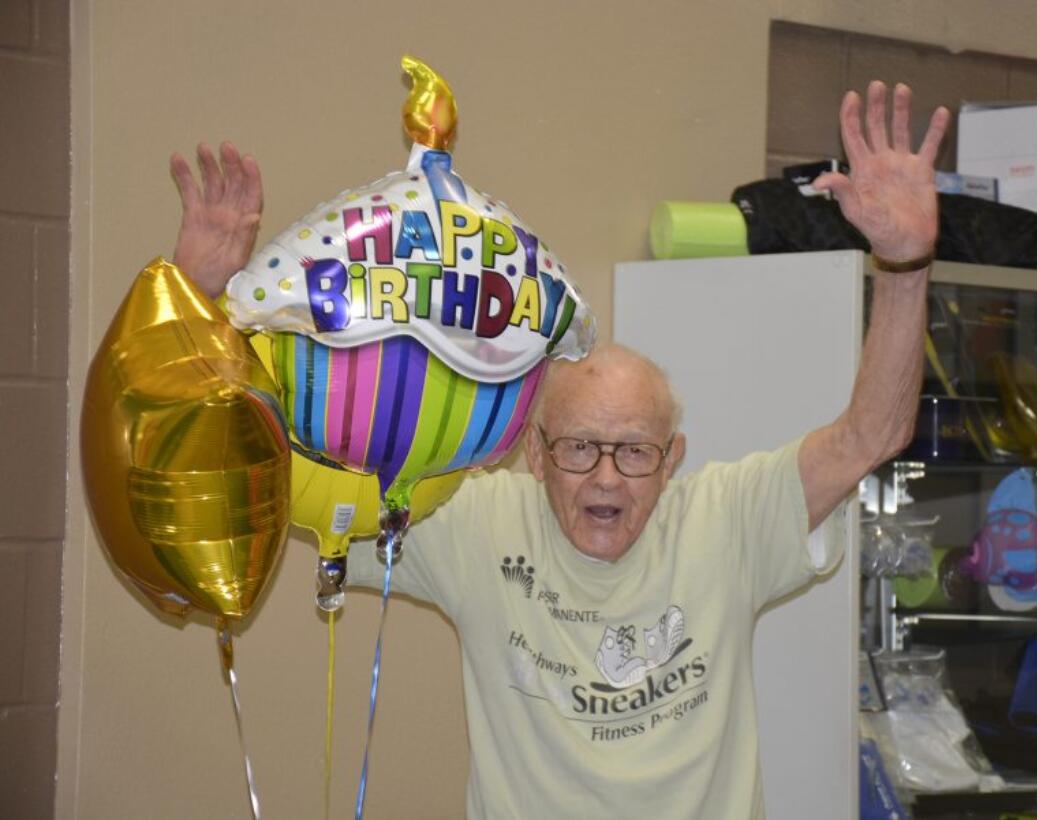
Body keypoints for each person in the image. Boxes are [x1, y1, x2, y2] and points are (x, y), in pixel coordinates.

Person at [171, 81, 948, 819]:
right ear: (533, 454)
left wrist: (906, 268)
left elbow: (871, 436)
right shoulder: (471, 522)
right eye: (579, 447)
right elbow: (254, 478)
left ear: (673, 459)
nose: (606, 477)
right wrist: (199, 300)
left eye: (635, 451)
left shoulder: (730, 521)